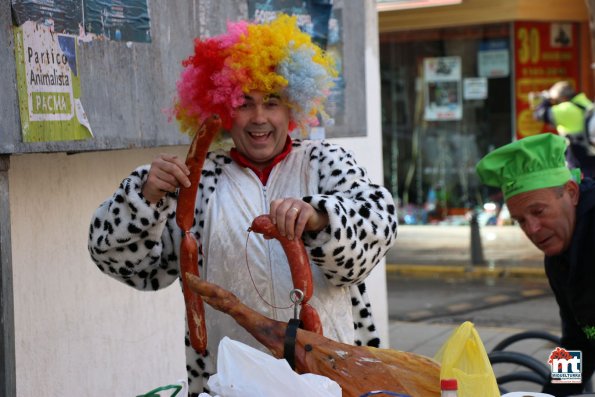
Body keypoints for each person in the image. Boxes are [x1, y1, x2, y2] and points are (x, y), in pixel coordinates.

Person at [87, 14, 398, 396]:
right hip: (230, 383)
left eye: (272, 102)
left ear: (293, 108)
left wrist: (319, 217)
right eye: (244, 104)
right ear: (221, 110)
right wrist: (144, 198)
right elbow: (122, 263)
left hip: (335, 379)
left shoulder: (325, 161)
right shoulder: (195, 182)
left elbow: (379, 223)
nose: (259, 118)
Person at [476, 133, 595, 396]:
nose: (533, 229)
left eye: (538, 212)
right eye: (520, 220)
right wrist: (552, 393)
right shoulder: (558, 257)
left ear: (571, 192)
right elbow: (577, 338)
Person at [531, 80, 595, 175]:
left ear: (563, 98)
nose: (554, 103)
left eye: (555, 101)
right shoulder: (586, 102)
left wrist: (547, 99)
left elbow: (539, 115)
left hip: (579, 161)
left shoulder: (566, 109)